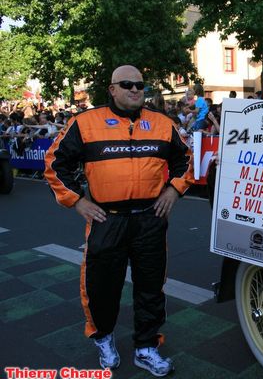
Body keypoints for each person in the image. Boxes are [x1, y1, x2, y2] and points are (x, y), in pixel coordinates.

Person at [44, 65, 194, 377]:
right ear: (112, 89)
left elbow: (187, 159)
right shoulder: (84, 123)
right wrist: (77, 201)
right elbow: (55, 163)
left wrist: (174, 191)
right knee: (101, 286)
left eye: (140, 85)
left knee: (151, 286)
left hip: (150, 219)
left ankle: (146, 347)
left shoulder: (163, 124)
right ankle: (104, 337)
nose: (135, 90)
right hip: (106, 219)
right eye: (127, 84)